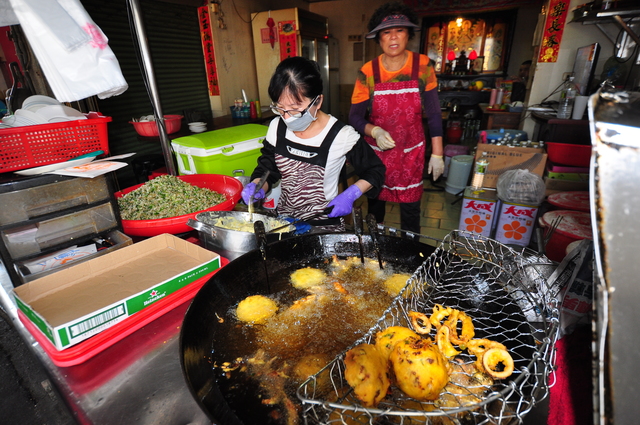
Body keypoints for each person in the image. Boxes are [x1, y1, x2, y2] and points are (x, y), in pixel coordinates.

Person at [241, 56, 386, 233]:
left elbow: (375, 171)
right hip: (285, 224)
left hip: (325, 226)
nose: (287, 117)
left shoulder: (341, 135)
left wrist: (350, 195)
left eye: (295, 109)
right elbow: (268, 169)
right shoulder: (276, 127)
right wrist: (258, 186)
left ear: (318, 101)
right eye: (280, 108)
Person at [349, 2, 444, 234]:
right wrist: (375, 131)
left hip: (411, 152)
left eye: (399, 30)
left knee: (411, 210)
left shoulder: (423, 66)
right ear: (378, 39)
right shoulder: (368, 72)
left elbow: (433, 113)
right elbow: (354, 117)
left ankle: (411, 254)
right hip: (378, 154)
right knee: (375, 209)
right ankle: (375, 251)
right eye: (386, 32)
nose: (393, 37)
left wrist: (438, 154)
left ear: (409, 34)